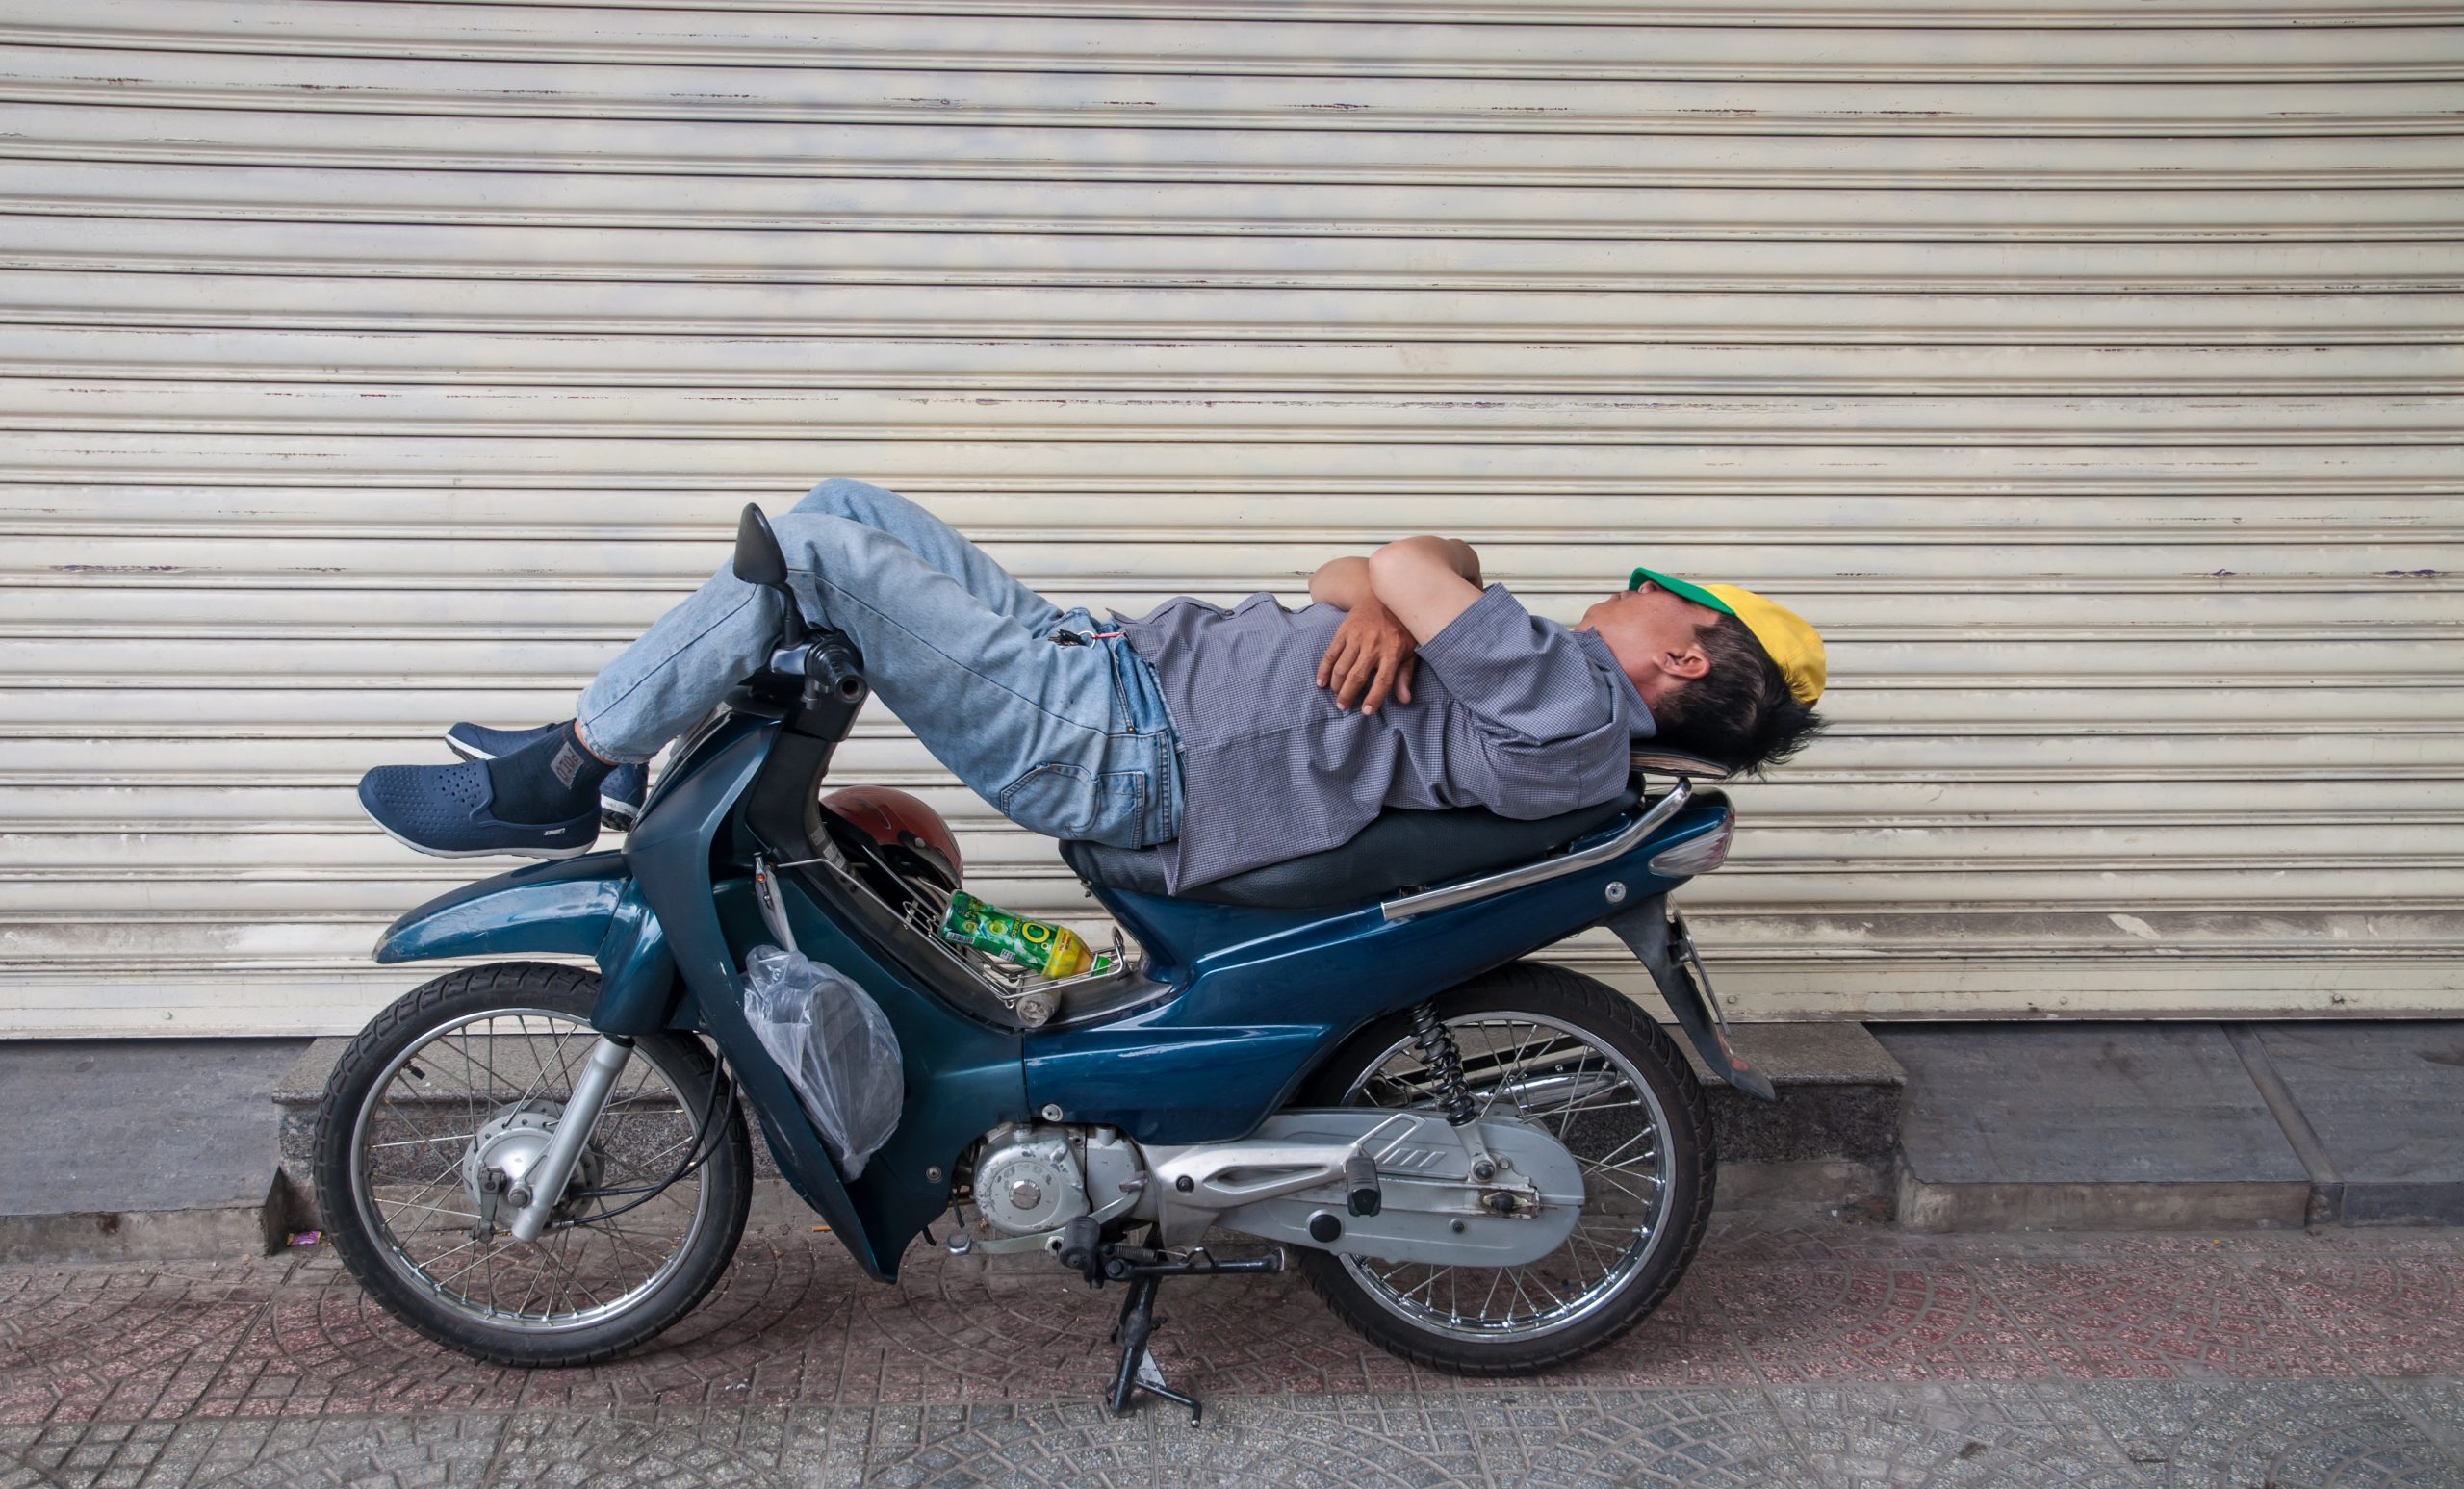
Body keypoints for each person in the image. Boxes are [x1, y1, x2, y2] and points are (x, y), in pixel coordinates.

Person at [358, 479, 1826, 890]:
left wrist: (1409, 567)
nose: (1631, 589)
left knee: (813, 549)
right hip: (1108, 672)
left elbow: (1391, 551)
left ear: (1680, 651)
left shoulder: (1572, 699)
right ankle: (615, 759)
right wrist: (1389, 581)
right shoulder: (1542, 679)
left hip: (1124, 743)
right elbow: (1344, 574)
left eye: (1659, 591)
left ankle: (561, 772)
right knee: (849, 503)